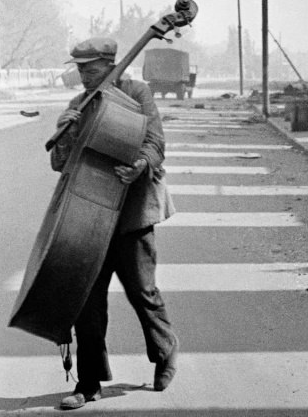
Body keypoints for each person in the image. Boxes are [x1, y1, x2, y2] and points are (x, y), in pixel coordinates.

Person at [51, 36, 179, 410]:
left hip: (133, 212)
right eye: (80, 69)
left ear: (110, 65)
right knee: (88, 301)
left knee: (142, 291)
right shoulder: (78, 105)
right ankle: (89, 382)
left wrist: (140, 163)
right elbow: (59, 164)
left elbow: (155, 142)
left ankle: (165, 351)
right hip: (90, 216)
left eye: (90, 69)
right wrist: (64, 133)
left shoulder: (137, 93)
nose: (84, 76)